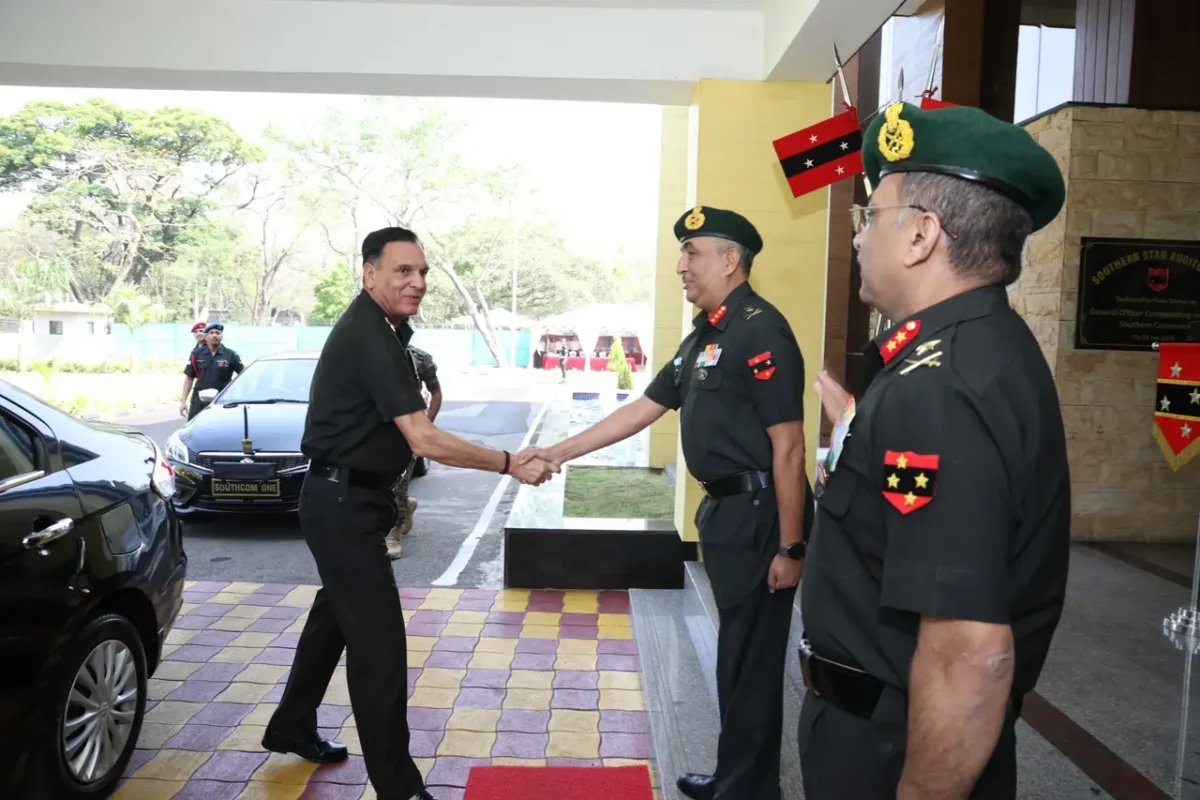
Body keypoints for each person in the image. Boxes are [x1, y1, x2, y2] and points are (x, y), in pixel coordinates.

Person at [796, 101, 1070, 800]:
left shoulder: (938, 389)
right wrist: (862, 430)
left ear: (921, 234)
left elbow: (969, 656)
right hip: (895, 726)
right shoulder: (981, 350)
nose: (858, 238)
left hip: (893, 749)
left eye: (871, 216)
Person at [518, 206, 811, 800]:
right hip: (727, 514)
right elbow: (640, 410)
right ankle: (738, 779)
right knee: (735, 656)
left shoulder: (760, 330)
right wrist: (557, 450)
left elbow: (789, 446)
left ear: (730, 261)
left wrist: (792, 543)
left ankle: (750, 791)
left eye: (693, 253)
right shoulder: (707, 333)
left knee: (752, 662)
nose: (681, 266)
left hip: (759, 517)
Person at [264, 226, 556, 800]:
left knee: (334, 621)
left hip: (356, 502)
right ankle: (398, 787)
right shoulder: (369, 336)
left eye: (422, 272)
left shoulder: (387, 331)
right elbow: (422, 437)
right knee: (380, 647)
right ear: (369, 273)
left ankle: (292, 724)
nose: (417, 282)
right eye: (402, 271)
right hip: (341, 504)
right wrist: (509, 462)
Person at [385, 343, 442, 559]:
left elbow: (436, 392)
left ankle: (393, 533)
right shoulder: (369, 353)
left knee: (398, 483)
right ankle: (405, 507)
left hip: (407, 430)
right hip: (376, 430)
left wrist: (426, 425)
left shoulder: (420, 358)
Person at [179, 323, 244, 420]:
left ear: (221, 336)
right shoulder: (196, 354)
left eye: (217, 333)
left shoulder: (231, 355)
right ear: (206, 336)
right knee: (195, 429)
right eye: (211, 333)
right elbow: (189, 378)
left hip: (222, 401)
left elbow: (243, 376)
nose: (214, 335)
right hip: (199, 401)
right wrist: (183, 401)